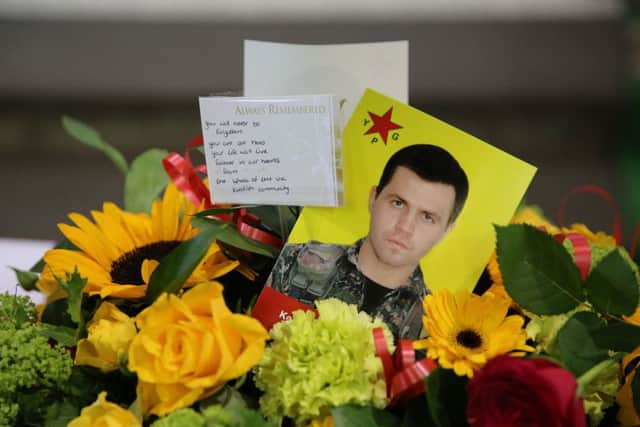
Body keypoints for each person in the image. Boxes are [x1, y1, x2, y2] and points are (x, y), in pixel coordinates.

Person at [266, 144, 469, 339]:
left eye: (427, 217)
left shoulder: (435, 329)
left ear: (446, 231)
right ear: (374, 199)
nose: (405, 227)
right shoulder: (293, 260)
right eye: (398, 203)